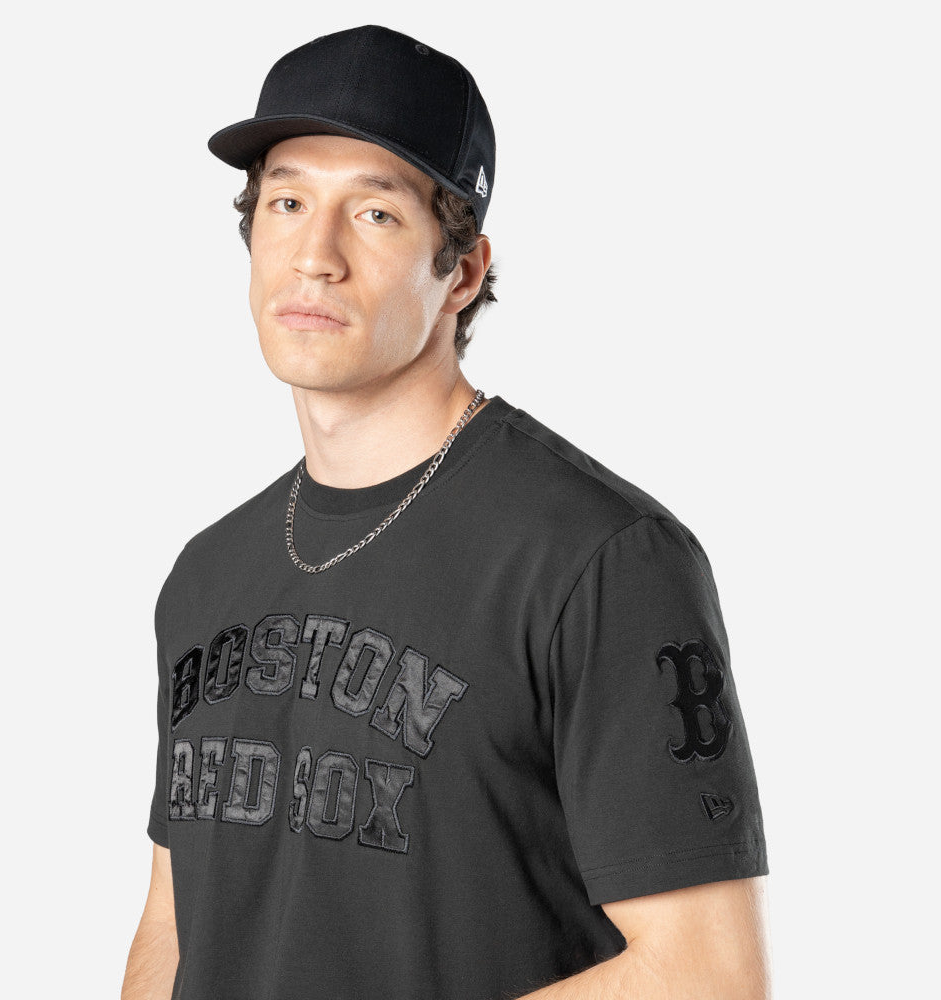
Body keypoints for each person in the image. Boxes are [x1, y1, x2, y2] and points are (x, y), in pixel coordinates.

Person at [121, 24, 771, 1000]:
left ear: (460, 272)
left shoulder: (600, 559)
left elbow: (708, 975)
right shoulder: (206, 574)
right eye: (288, 202)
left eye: (375, 213)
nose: (314, 256)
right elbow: (175, 927)